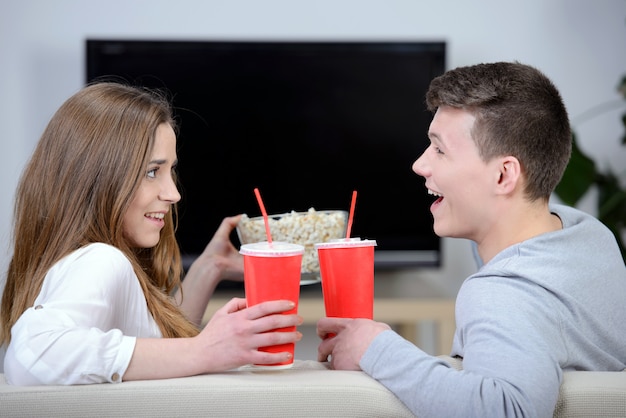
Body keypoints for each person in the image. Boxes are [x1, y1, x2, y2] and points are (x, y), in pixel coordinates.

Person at [317, 62, 626, 417]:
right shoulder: (586, 233)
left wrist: (374, 347)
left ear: (503, 175)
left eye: (440, 150)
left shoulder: (501, 293)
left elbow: (506, 409)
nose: (420, 164)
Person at [0, 82, 302, 385]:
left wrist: (210, 267)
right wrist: (204, 350)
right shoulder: (101, 260)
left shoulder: (94, 262)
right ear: (98, 177)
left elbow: (156, 347)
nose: (173, 193)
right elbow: (32, 355)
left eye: (170, 170)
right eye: (151, 172)